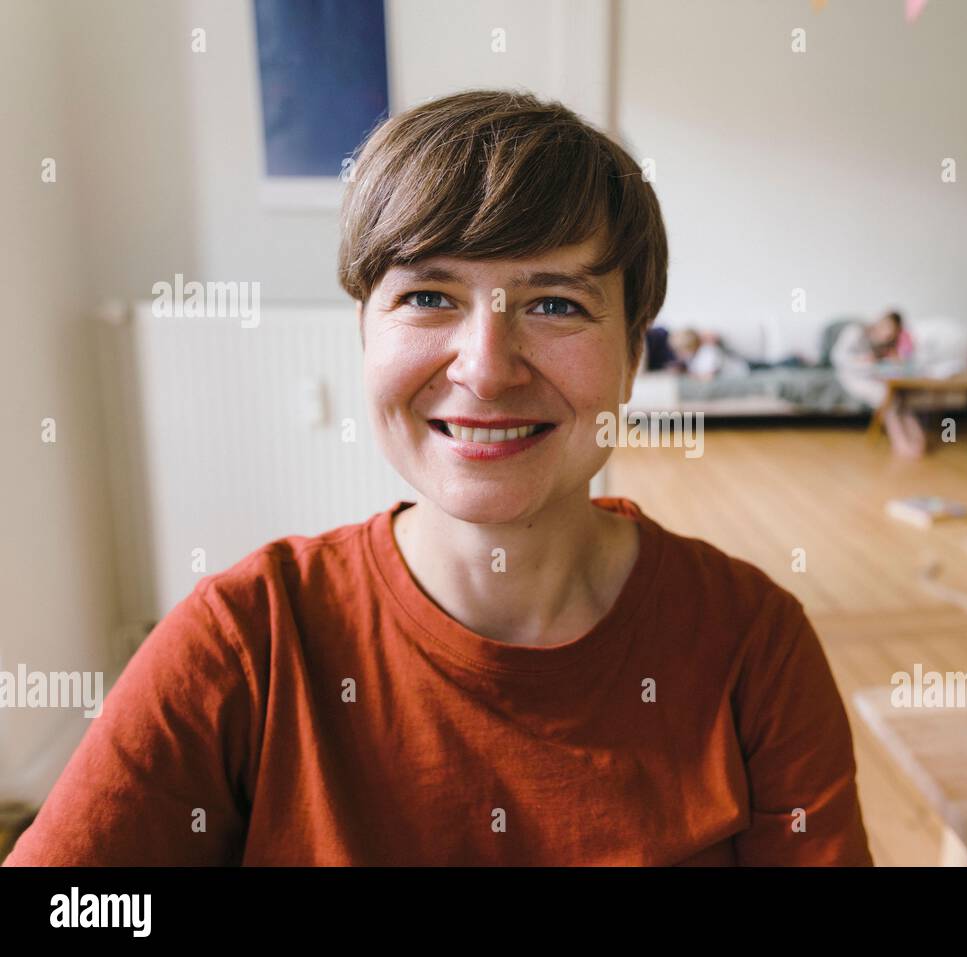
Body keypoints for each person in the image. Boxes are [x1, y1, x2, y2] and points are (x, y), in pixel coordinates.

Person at [5, 90, 871, 866]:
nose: (487, 370)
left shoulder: (755, 648)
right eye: (429, 297)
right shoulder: (245, 646)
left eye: (556, 303)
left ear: (634, 353)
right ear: (364, 332)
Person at [831, 311, 926, 458]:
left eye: (892, 332)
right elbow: (838, 358)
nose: (887, 334)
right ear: (879, 322)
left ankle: (918, 441)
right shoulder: (855, 332)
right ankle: (900, 443)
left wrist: (891, 362)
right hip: (851, 376)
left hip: (874, 377)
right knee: (887, 397)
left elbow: (887, 366)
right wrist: (862, 360)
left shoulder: (886, 345)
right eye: (886, 327)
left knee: (900, 396)